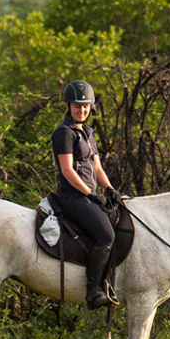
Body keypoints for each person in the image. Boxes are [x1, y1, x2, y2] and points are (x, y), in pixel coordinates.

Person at [51, 80, 122, 309]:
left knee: (119, 221)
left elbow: (97, 168)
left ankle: (109, 282)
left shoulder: (88, 133)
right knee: (106, 237)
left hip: (88, 195)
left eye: (85, 107)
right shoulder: (64, 133)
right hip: (72, 196)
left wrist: (110, 189)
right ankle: (93, 292)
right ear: (68, 106)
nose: (82, 110)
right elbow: (68, 171)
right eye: (77, 106)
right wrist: (91, 194)